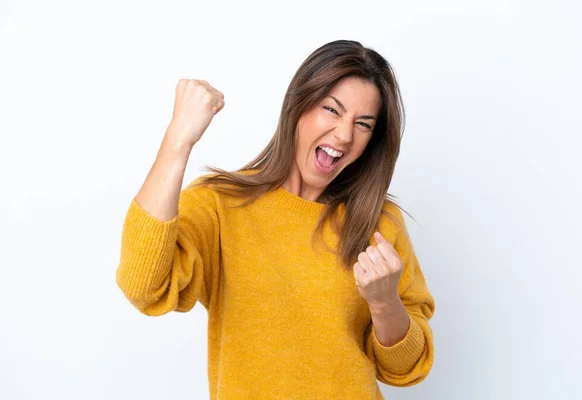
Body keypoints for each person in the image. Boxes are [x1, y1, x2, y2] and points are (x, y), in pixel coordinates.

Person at [115, 39, 435, 399]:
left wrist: (384, 302)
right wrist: (178, 140)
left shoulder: (380, 224)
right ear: (299, 104)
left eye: (363, 124)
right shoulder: (221, 205)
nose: (345, 135)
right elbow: (143, 287)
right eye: (332, 110)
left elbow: (407, 369)